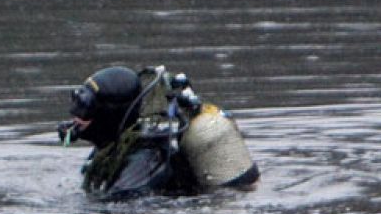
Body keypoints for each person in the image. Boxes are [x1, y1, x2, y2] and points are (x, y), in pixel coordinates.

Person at [56, 65, 260, 201]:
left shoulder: (143, 158)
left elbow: (122, 203)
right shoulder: (117, 145)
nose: (75, 115)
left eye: (85, 107)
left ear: (108, 115)